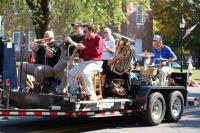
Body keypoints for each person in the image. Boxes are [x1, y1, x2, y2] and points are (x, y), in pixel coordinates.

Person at [66, 24, 103, 101]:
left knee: (85, 72)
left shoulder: (98, 38)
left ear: (91, 30)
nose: (84, 33)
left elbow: (97, 52)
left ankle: (91, 95)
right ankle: (75, 93)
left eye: (85, 31)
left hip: (95, 62)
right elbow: (82, 55)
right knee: (70, 73)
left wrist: (84, 48)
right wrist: (79, 51)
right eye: (83, 31)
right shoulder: (85, 40)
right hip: (85, 62)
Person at [54, 22, 84, 93]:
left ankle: (60, 89)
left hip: (77, 59)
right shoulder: (72, 36)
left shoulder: (83, 37)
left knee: (67, 72)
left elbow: (80, 47)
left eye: (76, 26)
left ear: (81, 28)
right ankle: (67, 82)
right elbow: (64, 48)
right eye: (74, 26)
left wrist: (70, 41)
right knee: (56, 69)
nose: (74, 27)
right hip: (68, 58)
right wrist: (62, 44)